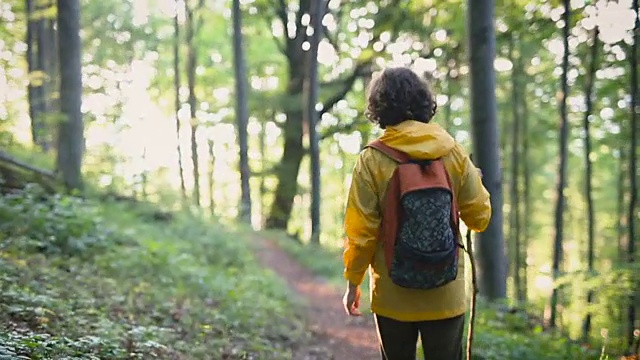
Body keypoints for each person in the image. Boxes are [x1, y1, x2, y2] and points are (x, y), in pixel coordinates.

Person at [341, 66, 492, 360]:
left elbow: (361, 233)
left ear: (378, 107)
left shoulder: (372, 160)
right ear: (425, 102)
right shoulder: (454, 153)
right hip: (445, 291)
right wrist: (475, 180)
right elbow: (480, 218)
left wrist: (353, 283)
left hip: (392, 293)